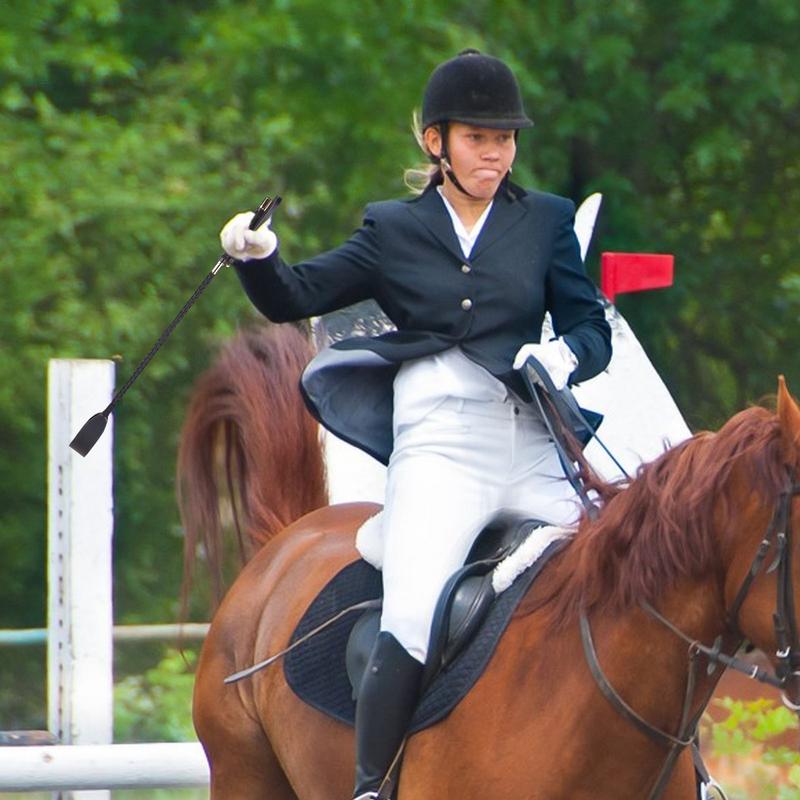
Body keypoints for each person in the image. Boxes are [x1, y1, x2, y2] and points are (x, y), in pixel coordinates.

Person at [219, 49, 611, 800]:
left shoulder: (547, 222)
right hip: (441, 450)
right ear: (437, 143)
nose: (496, 153)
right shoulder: (394, 229)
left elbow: (590, 328)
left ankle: (678, 774)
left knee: (612, 585)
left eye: (505, 139)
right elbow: (296, 294)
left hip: (529, 441)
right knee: (412, 606)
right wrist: (259, 257)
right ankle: (374, 785)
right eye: (478, 139)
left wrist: (563, 354)